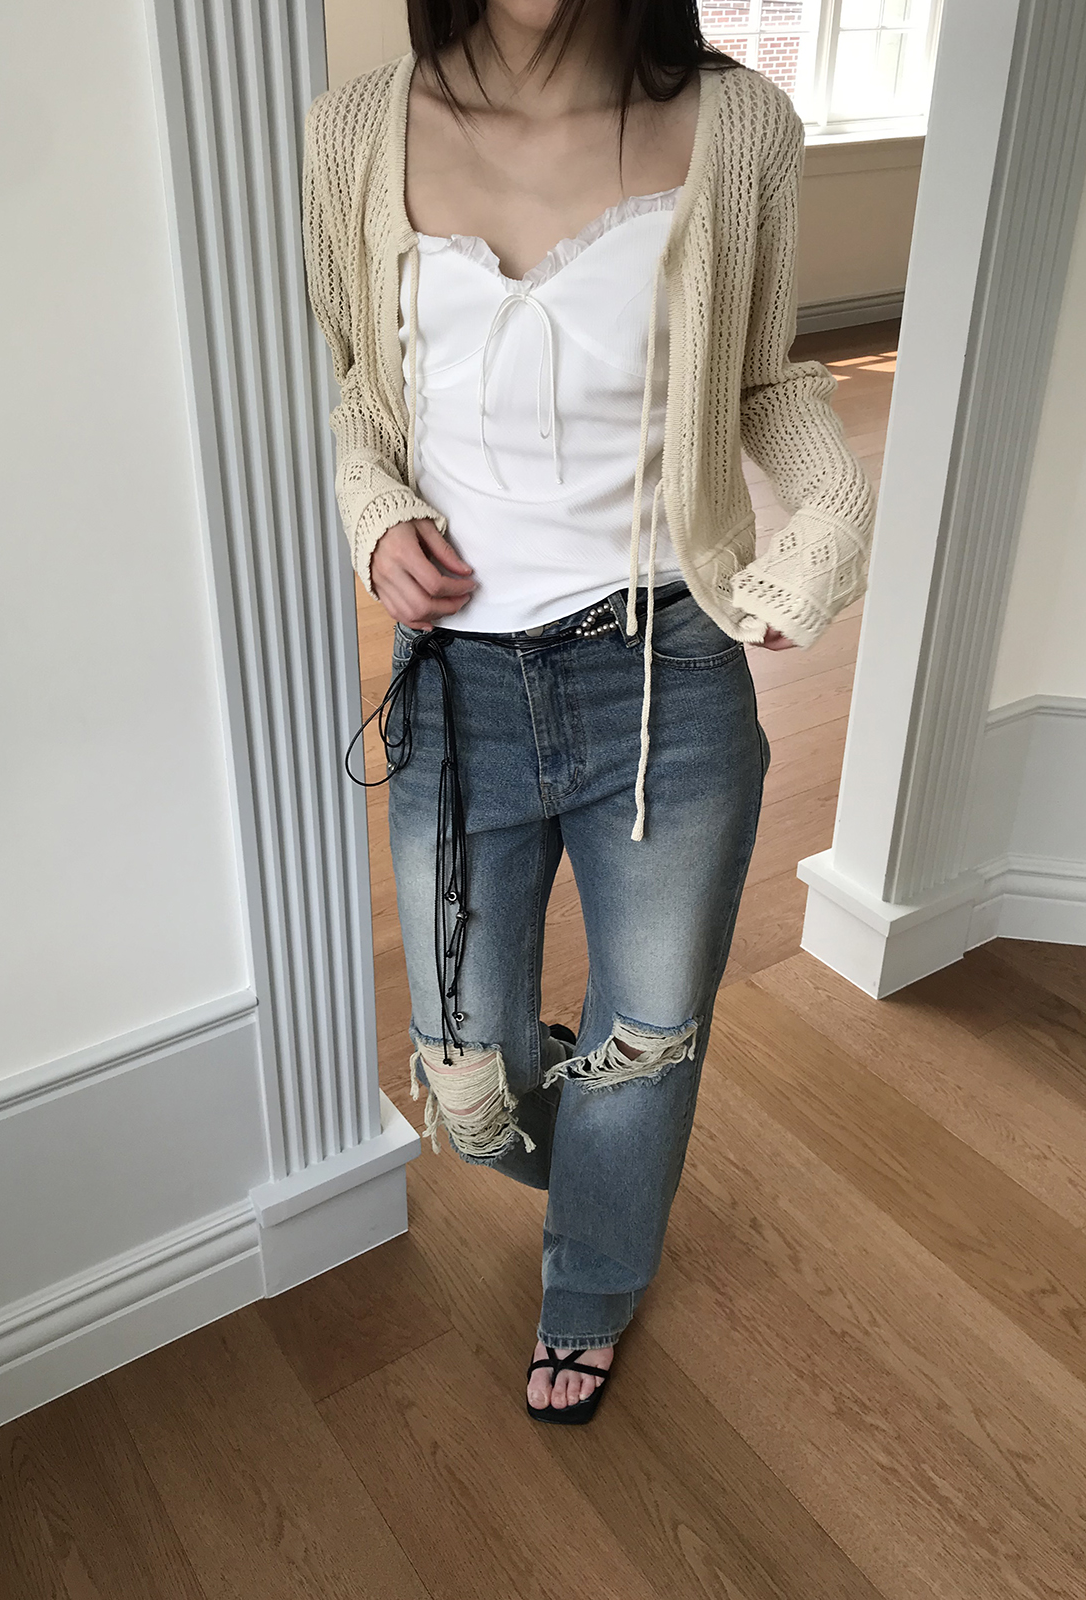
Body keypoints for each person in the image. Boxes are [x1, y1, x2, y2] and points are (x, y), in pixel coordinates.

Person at [302, 0, 875, 1424]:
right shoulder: (358, 131)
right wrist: (373, 508)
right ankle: (616, 1142)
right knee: (473, 1077)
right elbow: (359, 389)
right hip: (459, 693)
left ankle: (594, 1287)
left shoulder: (739, 127)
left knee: (654, 1031)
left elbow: (765, 379)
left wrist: (826, 525)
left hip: (664, 678)